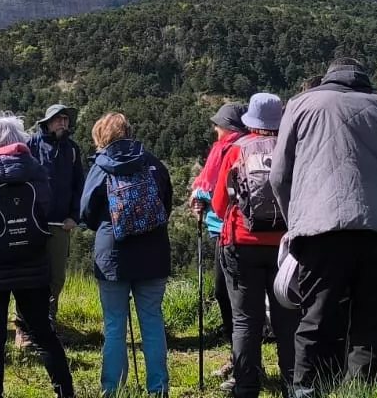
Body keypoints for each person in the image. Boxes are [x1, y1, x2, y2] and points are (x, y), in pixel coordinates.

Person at [271, 58, 377, 397]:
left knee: (317, 321)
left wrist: (296, 221)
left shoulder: (300, 105)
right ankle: (364, 391)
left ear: (328, 77)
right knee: (376, 327)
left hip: (321, 231)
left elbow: (279, 177)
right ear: (364, 80)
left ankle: (310, 391)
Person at [0, 115, 74, 398]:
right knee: (43, 334)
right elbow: (45, 210)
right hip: (32, 263)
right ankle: (65, 392)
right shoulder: (37, 172)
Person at [209, 94, 299, 398]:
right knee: (288, 319)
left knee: (246, 320)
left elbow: (220, 205)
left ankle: (247, 387)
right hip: (285, 247)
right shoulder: (293, 148)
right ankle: (293, 385)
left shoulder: (237, 150)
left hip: (241, 243)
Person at [80, 112, 172, 397]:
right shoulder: (152, 163)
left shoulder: (101, 167)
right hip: (153, 253)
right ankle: (158, 389)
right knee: (152, 322)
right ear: (129, 133)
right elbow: (165, 205)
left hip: (113, 256)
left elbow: (85, 212)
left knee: (115, 324)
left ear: (100, 138)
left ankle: (113, 390)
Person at [190, 103, 246, 386]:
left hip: (231, 233)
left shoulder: (228, 149)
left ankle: (242, 364)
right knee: (233, 299)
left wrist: (200, 198)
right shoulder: (238, 147)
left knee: (230, 299)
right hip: (238, 233)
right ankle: (240, 359)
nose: (215, 128)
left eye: (219, 123)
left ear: (229, 126)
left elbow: (215, 191)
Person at [22, 104, 83, 347]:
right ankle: (24, 328)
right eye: (58, 120)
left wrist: (75, 217)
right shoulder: (31, 146)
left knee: (56, 278)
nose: (63, 124)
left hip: (60, 224)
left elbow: (80, 185)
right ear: (46, 122)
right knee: (29, 276)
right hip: (33, 223)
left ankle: (47, 323)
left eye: (66, 120)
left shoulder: (72, 150)